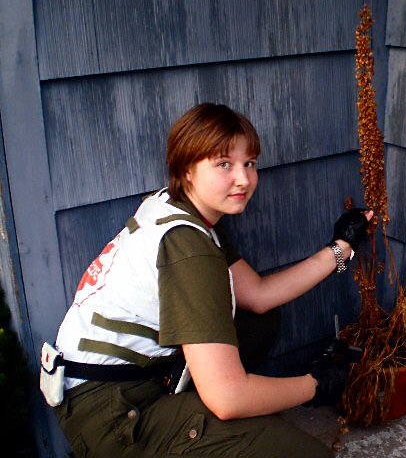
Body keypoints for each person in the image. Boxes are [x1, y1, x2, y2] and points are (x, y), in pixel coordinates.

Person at [50, 103, 372, 457]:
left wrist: (342, 248)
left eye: (249, 163)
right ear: (187, 168)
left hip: (124, 380)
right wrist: (318, 385)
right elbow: (228, 399)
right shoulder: (190, 250)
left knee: (260, 321)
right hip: (113, 414)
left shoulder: (178, 208)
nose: (244, 179)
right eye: (224, 164)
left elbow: (258, 296)